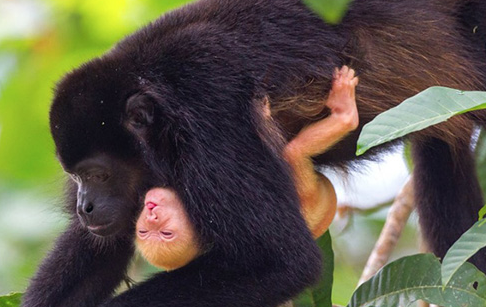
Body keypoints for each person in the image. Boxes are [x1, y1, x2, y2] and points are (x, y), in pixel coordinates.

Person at [136, 67, 359, 270]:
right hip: (308, 205)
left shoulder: (177, 186)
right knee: (294, 153)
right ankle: (344, 117)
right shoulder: (224, 213)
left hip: (284, 199)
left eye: (143, 231)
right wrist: (259, 125)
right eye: (166, 233)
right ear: (199, 233)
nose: (152, 219)